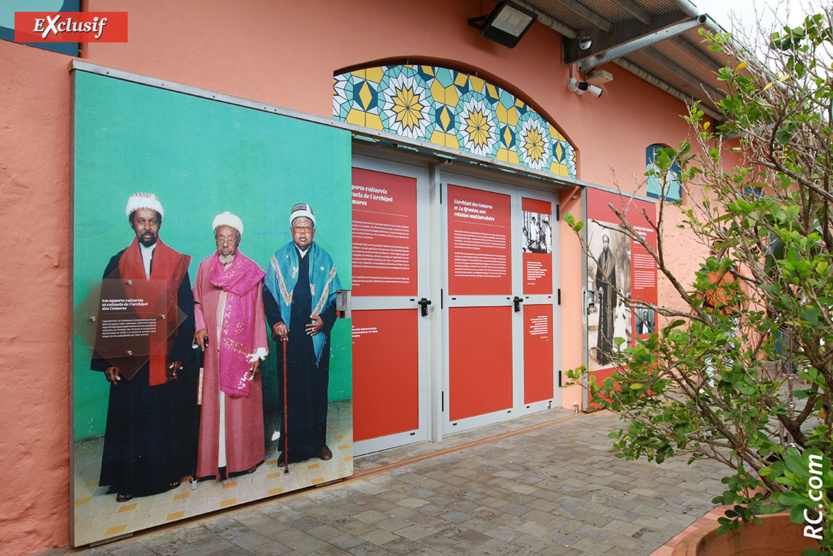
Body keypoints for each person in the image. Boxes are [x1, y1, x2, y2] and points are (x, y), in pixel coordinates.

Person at [91, 193, 196, 502]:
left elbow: (186, 308)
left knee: (165, 417)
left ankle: (166, 474)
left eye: (152, 221)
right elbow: (109, 310)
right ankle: (130, 482)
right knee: (132, 418)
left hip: (165, 353)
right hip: (131, 354)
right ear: (131, 223)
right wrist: (108, 360)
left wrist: (179, 355)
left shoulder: (176, 261)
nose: (147, 227)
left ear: (160, 223)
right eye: (141, 221)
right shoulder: (118, 261)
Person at [193, 213, 268, 481]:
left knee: (239, 405)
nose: (225, 243)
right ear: (215, 239)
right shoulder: (204, 267)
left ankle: (242, 460)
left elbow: (259, 312)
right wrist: (200, 327)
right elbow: (197, 303)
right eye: (220, 238)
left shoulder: (250, 269)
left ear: (238, 240)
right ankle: (213, 462)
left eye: (230, 238)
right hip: (213, 351)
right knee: (214, 403)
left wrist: (258, 350)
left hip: (242, 349)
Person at [263, 203, 341, 465]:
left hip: (316, 337)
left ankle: (319, 443)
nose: (303, 233)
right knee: (291, 392)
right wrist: (275, 322)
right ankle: (290, 447)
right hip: (290, 338)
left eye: (307, 228)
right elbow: (267, 295)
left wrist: (324, 321)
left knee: (317, 390)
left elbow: (341, 300)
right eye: (298, 228)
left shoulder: (326, 259)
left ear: (314, 231)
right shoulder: (278, 258)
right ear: (291, 231)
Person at [595, 234, 617, 365]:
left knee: (609, 325)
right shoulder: (600, 258)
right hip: (603, 296)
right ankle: (601, 355)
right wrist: (599, 287)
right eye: (603, 242)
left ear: (609, 243)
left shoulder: (613, 260)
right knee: (602, 324)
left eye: (606, 242)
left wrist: (614, 299)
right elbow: (598, 276)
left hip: (610, 296)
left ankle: (609, 352)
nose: (604, 245)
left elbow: (614, 281)